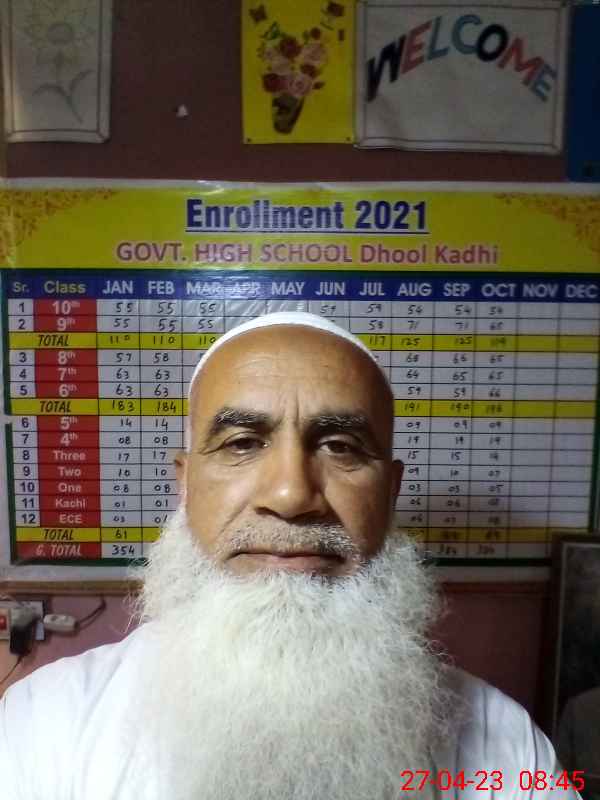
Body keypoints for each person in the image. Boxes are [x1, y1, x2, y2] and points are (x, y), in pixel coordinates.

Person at [0, 312, 582, 799]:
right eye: (242, 443)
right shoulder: (45, 723)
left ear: (390, 493)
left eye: (341, 446)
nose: (291, 495)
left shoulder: (506, 747)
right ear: (185, 485)